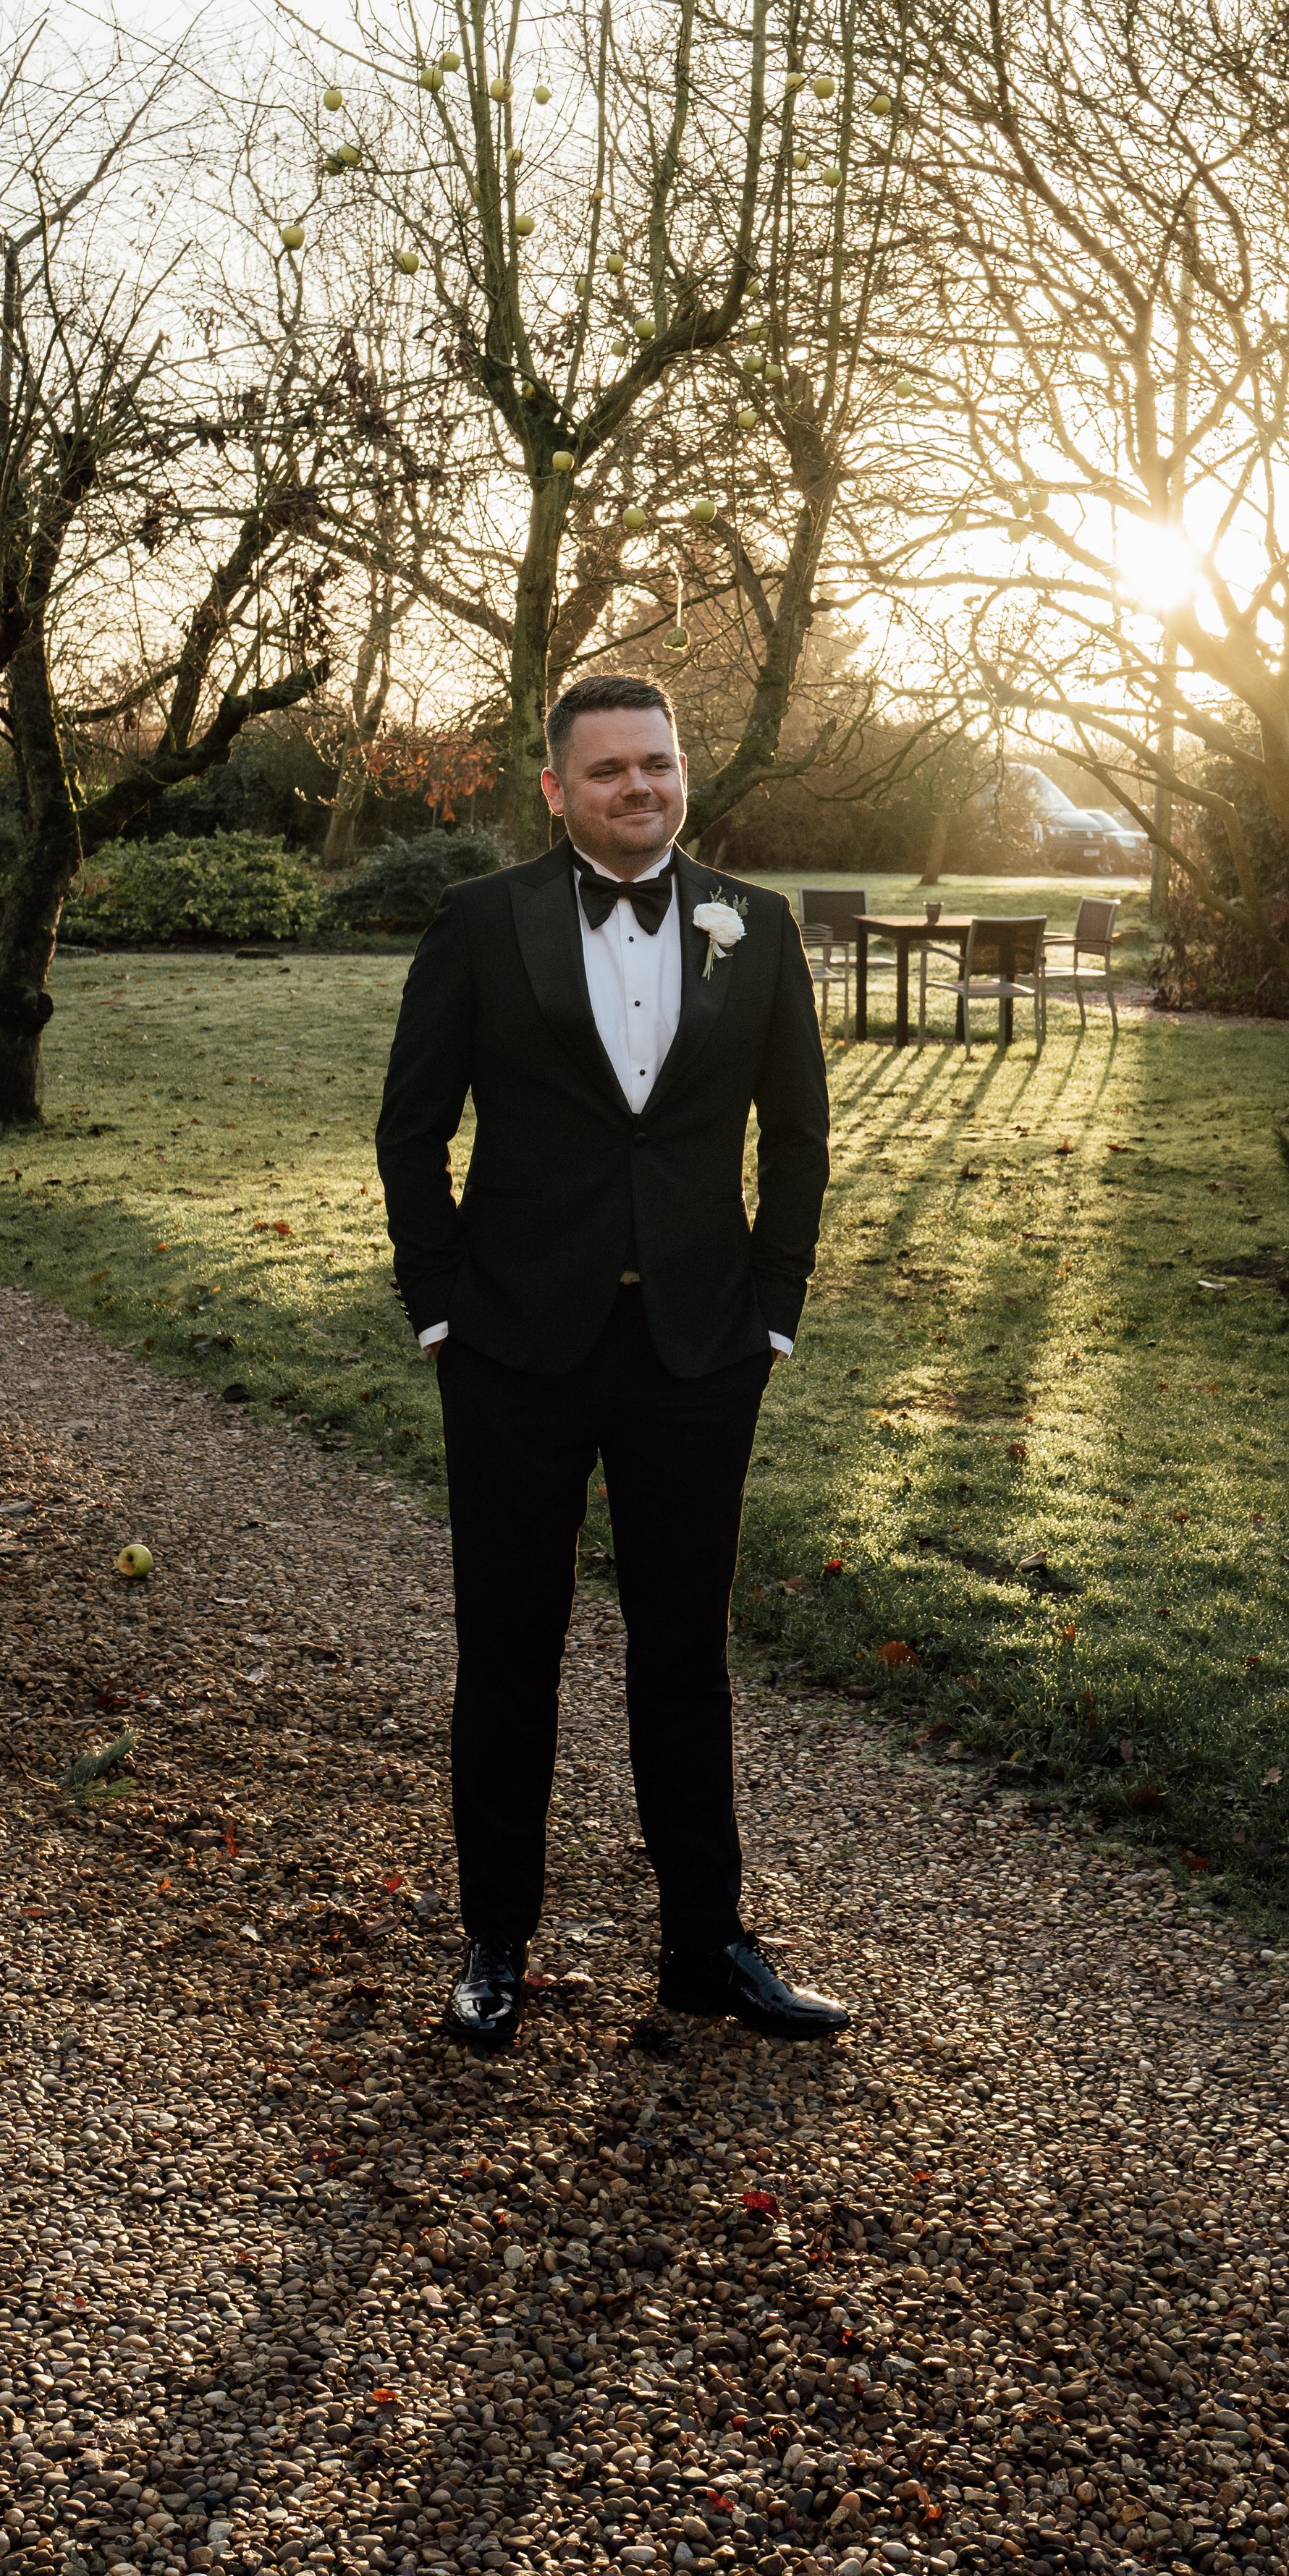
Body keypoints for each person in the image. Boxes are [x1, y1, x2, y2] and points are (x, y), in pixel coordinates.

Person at [375, 674, 846, 2050]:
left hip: (699, 1351)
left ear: (682, 771)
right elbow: (412, 1130)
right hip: (514, 1347)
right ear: (556, 790)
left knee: (685, 1657)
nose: (640, 788)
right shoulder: (480, 923)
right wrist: (441, 1309)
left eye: (659, 764)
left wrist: (774, 1308)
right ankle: (494, 1943)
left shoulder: (754, 926)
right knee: (507, 1650)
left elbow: (800, 1135)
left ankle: (708, 1947)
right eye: (610, 772)